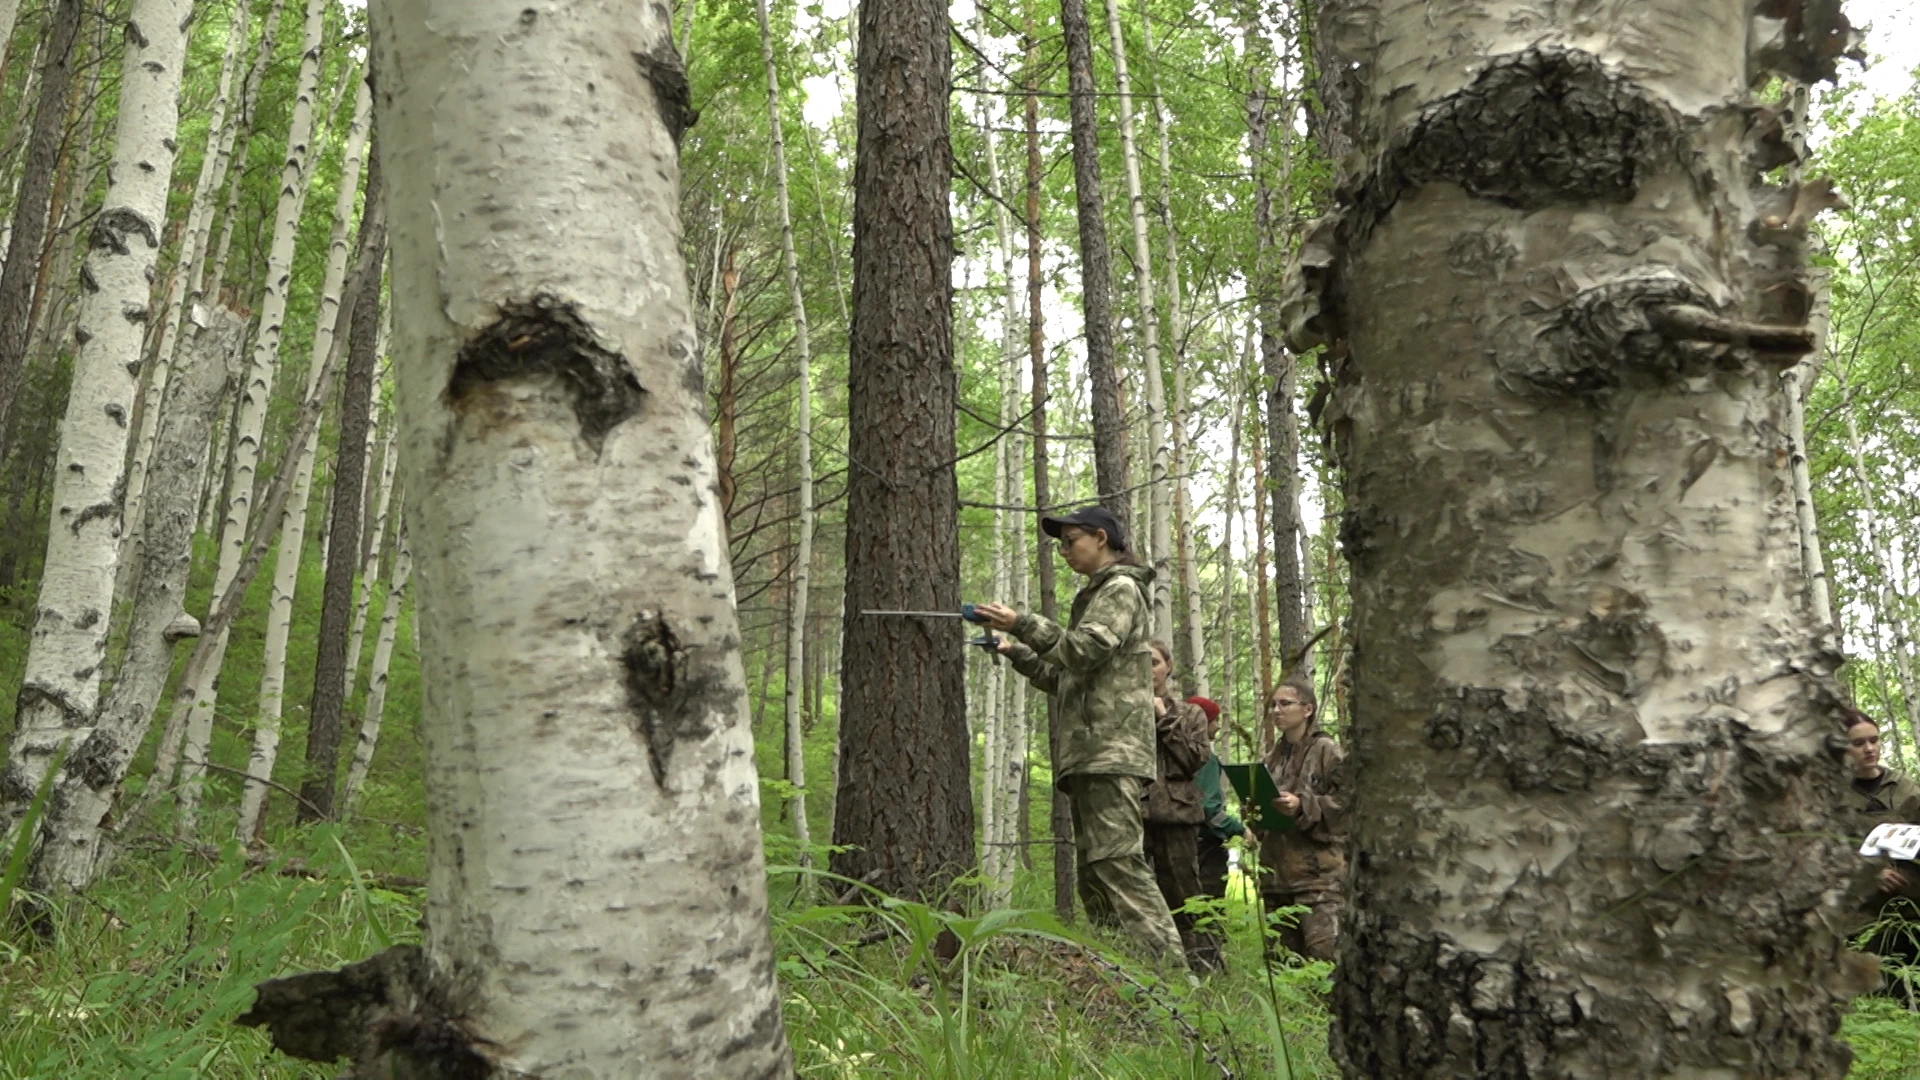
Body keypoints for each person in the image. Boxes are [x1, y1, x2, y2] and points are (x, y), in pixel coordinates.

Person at [975, 506, 1185, 962]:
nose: (1065, 550)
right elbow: (1067, 675)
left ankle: (1172, 972)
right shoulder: (1096, 596)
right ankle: (1121, 970)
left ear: (1100, 538)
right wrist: (1014, 650)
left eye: (1071, 541)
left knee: (1117, 861)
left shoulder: (1121, 588)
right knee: (1096, 871)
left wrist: (1022, 623)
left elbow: (1085, 649)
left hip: (1112, 750)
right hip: (1092, 753)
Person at [1248, 679, 1345, 963]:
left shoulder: (1327, 751)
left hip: (1319, 878)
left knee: (1324, 959)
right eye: (1273, 705)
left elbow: (1351, 804)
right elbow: (1259, 816)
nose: (1277, 710)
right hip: (1277, 876)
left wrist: (1303, 805)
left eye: (1285, 703)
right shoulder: (1270, 759)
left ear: (1307, 710)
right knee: (1283, 962)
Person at [1143, 641, 1220, 971]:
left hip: (1177, 817)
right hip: (1133, 814)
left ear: (1168, 666)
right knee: (1139, 897)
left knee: (1186, 898)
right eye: (1140, 661)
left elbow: (1194, 759)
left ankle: (1208, 970)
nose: (1148, 669)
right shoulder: (1123, 709)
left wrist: (1164, 718)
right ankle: (1154, 968)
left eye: (1154, 662)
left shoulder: (1191, 714)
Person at [1844, 709, 1920, 902]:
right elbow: (1823, 851)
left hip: (1913, 901)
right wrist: (1868, 873)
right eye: (1858, 743)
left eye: (1874, 740)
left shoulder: (1905, 787)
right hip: (1861, 910)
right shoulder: (1835, 795)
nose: (1869, 748)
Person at [1185, 695, 1248, 907]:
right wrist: (1239, 830)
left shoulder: (1171, 753)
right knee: (1208, 911)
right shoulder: (1205, 759)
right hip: (1205, 849)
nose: (1218, 727)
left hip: (1177, 845)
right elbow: (1209, 809)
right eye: (1214, 721)